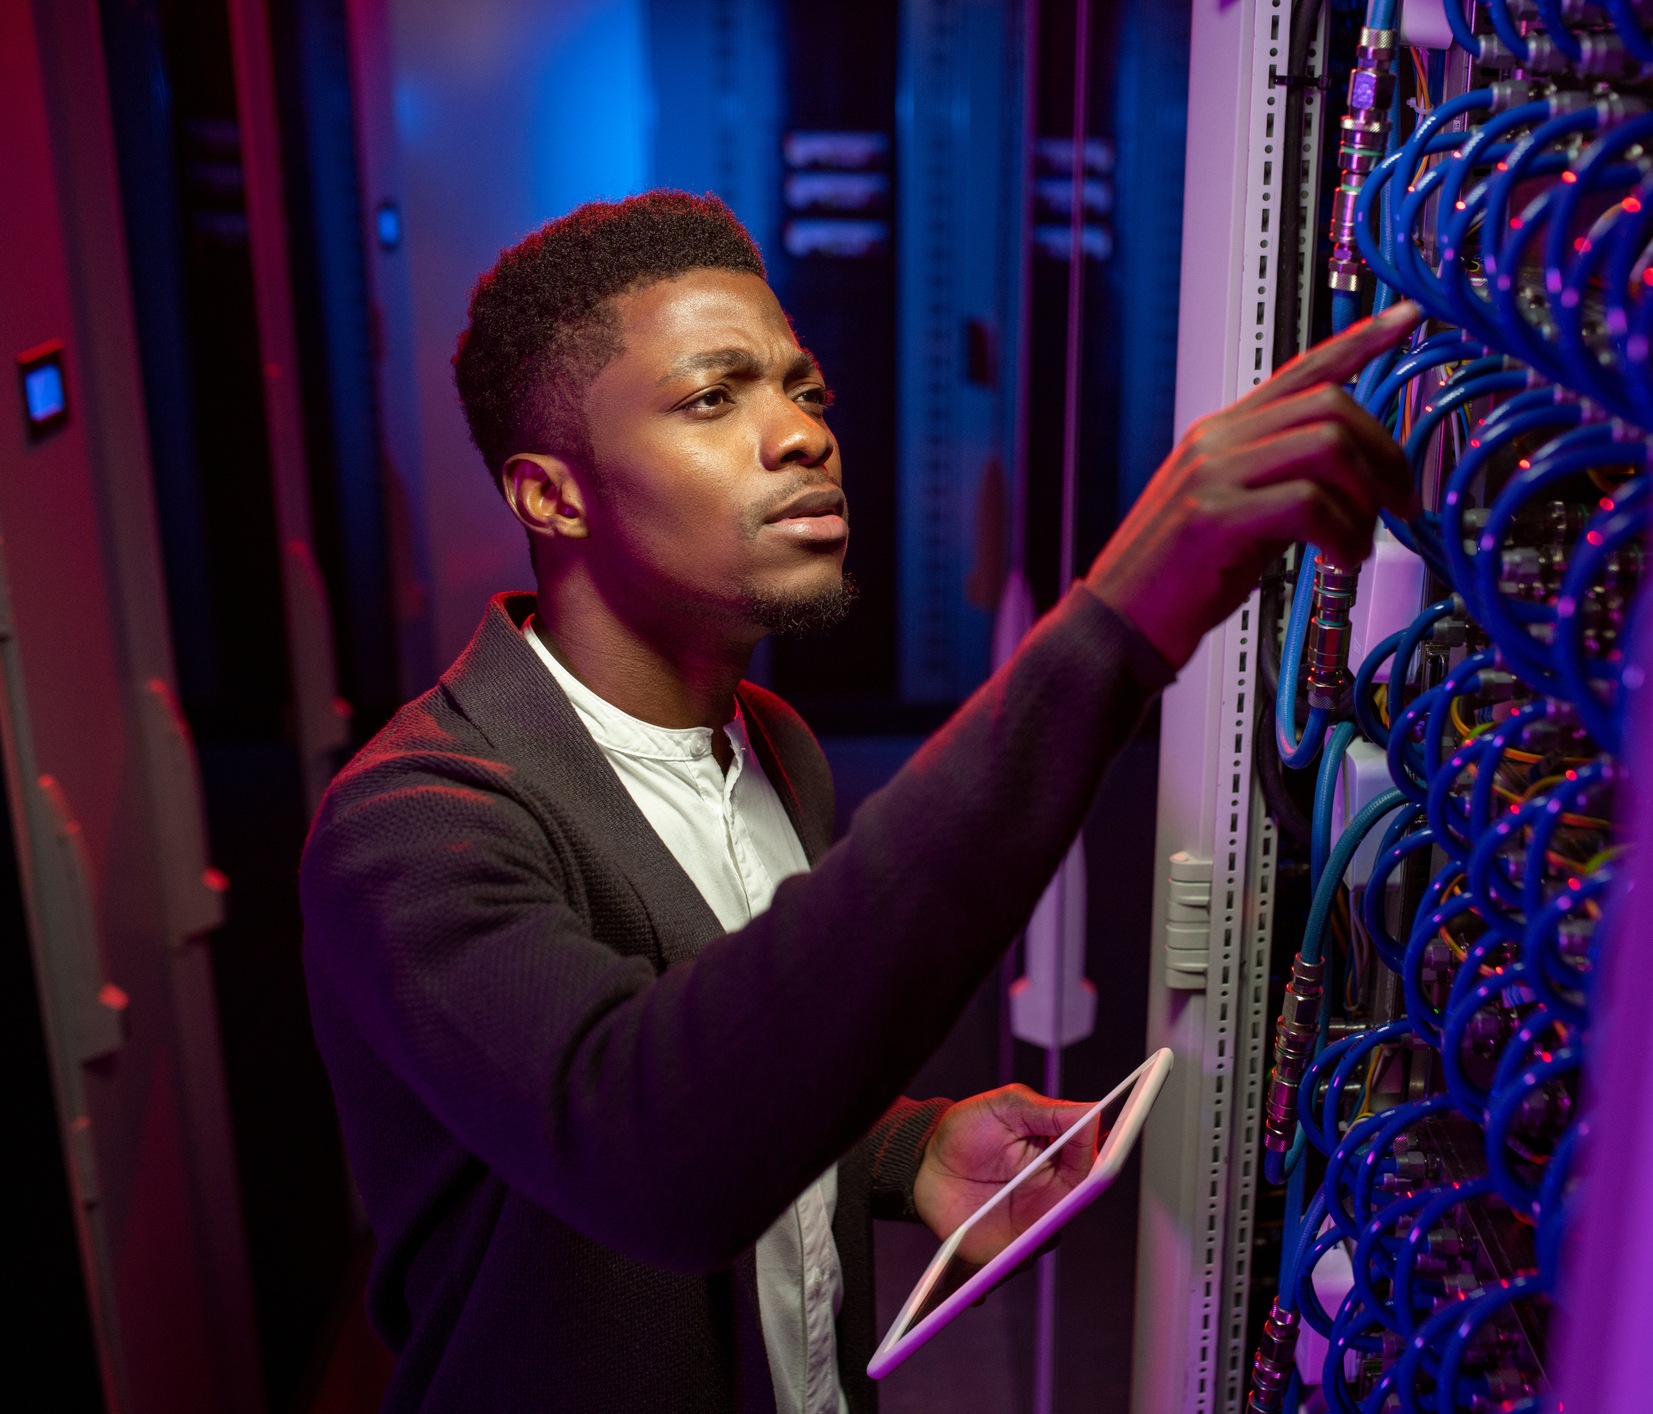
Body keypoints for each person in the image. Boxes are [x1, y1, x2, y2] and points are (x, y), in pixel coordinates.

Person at [300, 190, 1413, 1414]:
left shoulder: (775, 744)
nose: (801, 435)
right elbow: (650, 1147)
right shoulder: (414, 822)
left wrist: (902, 1148)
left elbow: (741, 1037)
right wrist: (1114, 628)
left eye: (805, 389)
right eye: (714, 398)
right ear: (551, 496)